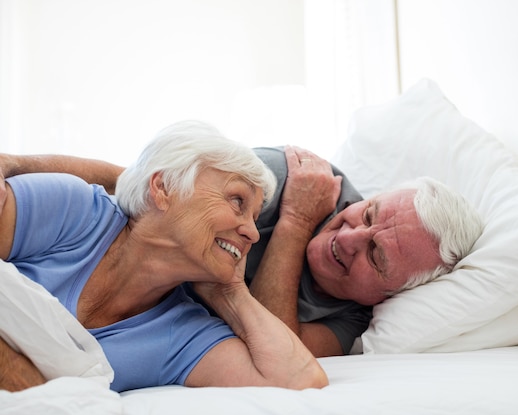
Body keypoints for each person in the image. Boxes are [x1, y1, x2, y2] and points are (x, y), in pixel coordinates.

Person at [0, 141, 483, 359]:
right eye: (371, 213)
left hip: (156, 320)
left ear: (387, 295)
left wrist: (294, 224)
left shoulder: (350, 319)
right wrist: (20, 162)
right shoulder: (299, 180)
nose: (349, 236)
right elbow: (149, 181)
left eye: (377, 256)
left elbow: (277, 345)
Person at [0, 120, 329, 392]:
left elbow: (300, 381)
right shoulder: (75, 213)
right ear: (163, 188)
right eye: (238, 201)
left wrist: (232, 293)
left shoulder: (185, 333)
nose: (253, 234)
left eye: (256, 219)